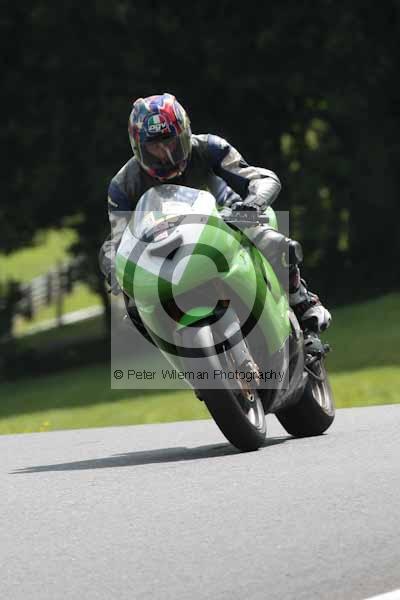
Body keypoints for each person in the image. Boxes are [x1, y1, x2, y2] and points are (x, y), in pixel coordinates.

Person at [100, 92, 331, 335]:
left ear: (186, 134)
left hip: (227, 221)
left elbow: (261, 178)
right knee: (133, 305)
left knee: (273, 239)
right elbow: (117, 241)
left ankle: (302, 301)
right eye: (155, 147)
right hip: (165, 250)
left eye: (171, 142)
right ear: (138, 148)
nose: (166, 154)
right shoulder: (122, 185)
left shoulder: (211, 147)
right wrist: (114, 269)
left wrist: (253, 203)